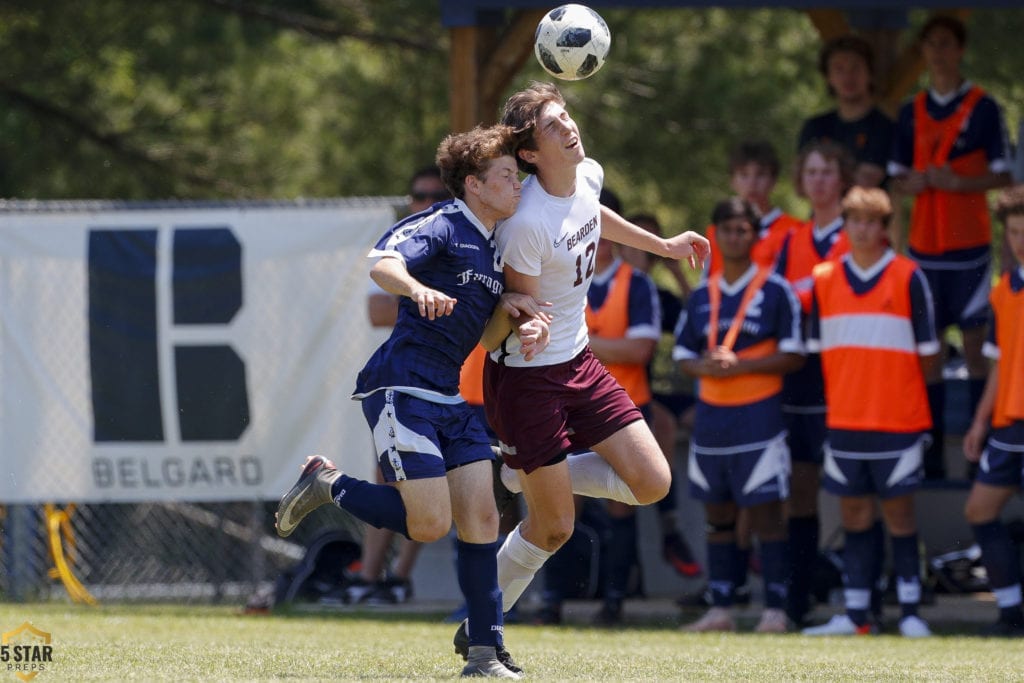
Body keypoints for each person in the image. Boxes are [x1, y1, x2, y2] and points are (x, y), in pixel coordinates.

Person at [275, 124, 550, 679]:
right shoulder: (444, 223)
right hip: (401, 390)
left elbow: (487, 339)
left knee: (481, 520)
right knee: (428, 525)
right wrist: (415, 287)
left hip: (450, 398)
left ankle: (484, 652)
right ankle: (329, 484)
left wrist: (518, 313)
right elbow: (382, 264)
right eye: (506, 176)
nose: (516, 185)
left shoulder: (496, 247)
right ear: (473, 184)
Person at [456, 81, 709, 664]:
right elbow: (506, 321)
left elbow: (592, 214)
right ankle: (479, 624)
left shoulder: (587, 172)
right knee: (553, 530)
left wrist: (665, 246)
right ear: (528, 154)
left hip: (581, 363)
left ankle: (530, 470)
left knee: (652, 482)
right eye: (551, 126)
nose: (568, 127)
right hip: (526, 380)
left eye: (565, 116)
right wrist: (530, 328)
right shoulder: (524, 225)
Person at [802, 186, 940, 638]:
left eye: (871, 221)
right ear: (845, 224)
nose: (861, 229)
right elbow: (818, 354)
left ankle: (911, 612)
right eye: (854, 220)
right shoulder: (824, 279)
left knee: (901, 518)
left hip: (899, 421)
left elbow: (929, 356)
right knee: (855, 517)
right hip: (845, 421)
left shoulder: (907, 275)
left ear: (884, 228)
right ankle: (857, 615)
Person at [888, 14, 1013, 480]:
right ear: (922, 51)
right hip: (924, 249)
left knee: (979, 348)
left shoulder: (984, 108)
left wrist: (960, 182)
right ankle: (934, 452)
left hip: (972, 248)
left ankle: (983, 457)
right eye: (930, 44)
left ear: (959, 50)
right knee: (930, 353)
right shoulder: (910, 110)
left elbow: (1005, 175)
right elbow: (894, 179)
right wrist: (914, 183)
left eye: (946, 43)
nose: (938, 52)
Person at [675, 197, 804, 633]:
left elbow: (794, 354)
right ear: (714, 235)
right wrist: (703, 366)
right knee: (718, 515)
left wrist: (742, 365)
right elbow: (681, 354)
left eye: (743, 229)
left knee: (767, 513)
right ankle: (721, 608)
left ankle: (775, 610)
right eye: (727, 229)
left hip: (759, 418)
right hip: (712, 420)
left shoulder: (776, 290)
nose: (734, 236)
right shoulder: (702, 295)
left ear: (755, 235)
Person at [354, 166, 453, 606]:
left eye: (436, 193)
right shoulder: (410, 239)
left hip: (462, 389)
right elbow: (377, 305)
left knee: (447, 496)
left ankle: (400, 578)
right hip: (410, 384)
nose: (427, 201)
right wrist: (423, 297)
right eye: (418, 194)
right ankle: (370, 578)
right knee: (389, 478)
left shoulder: (457, 239)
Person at [773, 139, 856, 627]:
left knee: (853, 490)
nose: (820, 180)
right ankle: (799, 601)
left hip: (848, 373)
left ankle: (863, 598)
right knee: (801, 491)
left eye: (829, 172)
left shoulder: (859, 234)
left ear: (843, 179)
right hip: (802, 377)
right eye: (812, 172)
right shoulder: (791, 240)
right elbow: (786, 305)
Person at [961, 185, 1024, 637]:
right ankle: (1010, 610)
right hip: (1007, 424)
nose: (1021, 240)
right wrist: (980, 422)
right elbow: (1000, 366)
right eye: (1015, 232)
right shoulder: (1004, 291)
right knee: (979, 510)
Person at [798, 34, 895, 189]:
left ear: (869, 73)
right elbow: (802, 183)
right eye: (839, 69)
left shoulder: (885, 127)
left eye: (855, 68)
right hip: (822, 213)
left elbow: (868, 180)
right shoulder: (815, 127)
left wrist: (825, 175)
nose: (848, 76)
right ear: (828, 77)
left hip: (867, 212)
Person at [704, 141, 804, 278]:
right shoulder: (717, 233)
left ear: (773, 181)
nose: (752, 183)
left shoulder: (795, 231)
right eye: (744, 175)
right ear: (732, 181)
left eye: (760, 175)